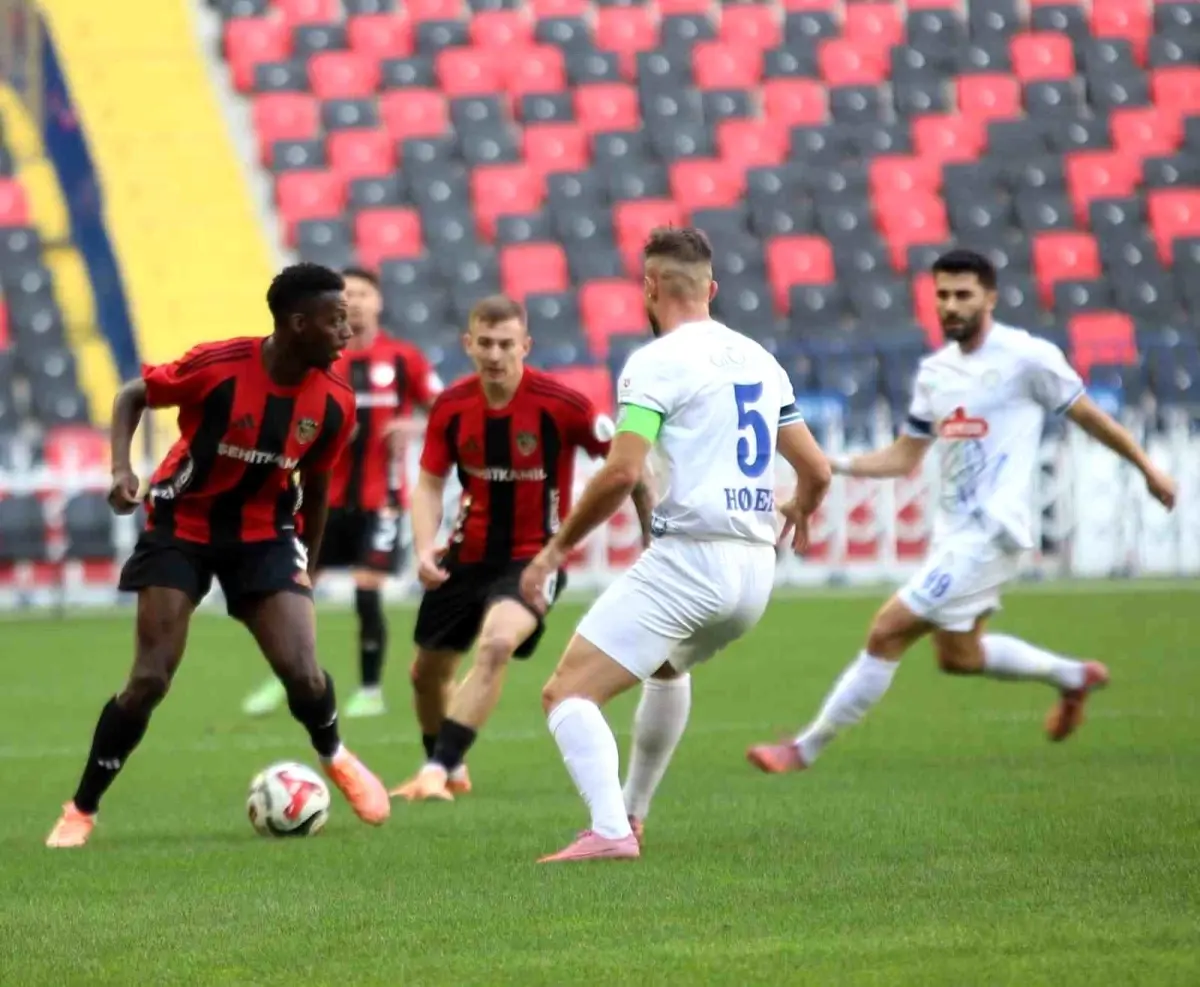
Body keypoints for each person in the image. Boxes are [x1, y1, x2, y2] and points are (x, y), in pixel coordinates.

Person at [747, 248, 1178, 777]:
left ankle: (804, 748)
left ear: (990, 298)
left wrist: (1147, 467)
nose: (950, 306)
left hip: (993, 534)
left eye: (963, 295)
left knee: (887, 631)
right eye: (943, 296)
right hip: (953, 535)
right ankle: (1072, 676)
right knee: (959, 657)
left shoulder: (1028, 357)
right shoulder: (936, 373)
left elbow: (1089, 417)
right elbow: (904, 456)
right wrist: (827, 463)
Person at [45, 264, 392, 848]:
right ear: (296, 323)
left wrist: (308, 549)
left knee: (303, 674)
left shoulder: (334, 401)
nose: (348, 328)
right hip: (183, 524)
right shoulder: (220, 366)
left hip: (264, 533)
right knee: (150, 679)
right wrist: (122, 469)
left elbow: (320, 478)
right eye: (335, 320)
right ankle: (81, 808)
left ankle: (335, 753)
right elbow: (134, 394)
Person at [518, 227, 832, 863]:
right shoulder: (761, 362)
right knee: (666, 666)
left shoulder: (657, 362)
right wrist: (800, 506)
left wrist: (554, 551)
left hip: (692, 557)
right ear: (711, 290)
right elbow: (818, 471)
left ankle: (608, 830)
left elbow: (622, 471)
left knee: (565, 694)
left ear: (650, 287)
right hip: (753, 572)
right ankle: (632, 814)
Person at [389, 294, 655, 803]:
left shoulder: (563, 404)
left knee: (495, 645)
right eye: (484, 343)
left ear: (525, 345)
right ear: (468, 344)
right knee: (426, 676)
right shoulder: (451, 407)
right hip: (465, 557)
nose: (494, 354)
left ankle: (438, 769)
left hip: (533, 558)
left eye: (506, 344)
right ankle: (445, 761)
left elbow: (631, 468)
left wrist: (651, 537)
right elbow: (427, 485)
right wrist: (424, 548)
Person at [241, 266, 441, 719]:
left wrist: (414, 423)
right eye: (349, 294)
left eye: (365, 293)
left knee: (367, 588)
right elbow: (286, 413)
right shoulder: (322, 357)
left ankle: (369, 690)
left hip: (381, 501)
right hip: (322, 499)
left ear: (379, 302)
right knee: (294, 587)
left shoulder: (403, 359)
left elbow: (445, 411)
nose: (358, 301)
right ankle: (286, 675)